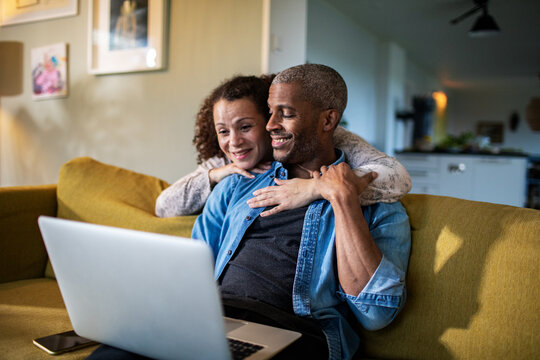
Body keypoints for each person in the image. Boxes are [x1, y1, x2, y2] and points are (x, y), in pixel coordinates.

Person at [191, 64, 411, 359]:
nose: (270, 125)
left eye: (286, 113)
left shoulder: (376, 203)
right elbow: (190, 271)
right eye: (270, 112)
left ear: (328, 120)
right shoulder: (236, 186)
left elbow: (377, 313)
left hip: (296, 330)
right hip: (214, 318)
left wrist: (341, 197)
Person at [155, 75, 411, 218]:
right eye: (223, 131)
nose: (233, 142)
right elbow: (164, 206)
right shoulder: (225, 163)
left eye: (245, 127)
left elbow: (397, 177)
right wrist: (213, 176)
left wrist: (313, 188)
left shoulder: (318, 139)